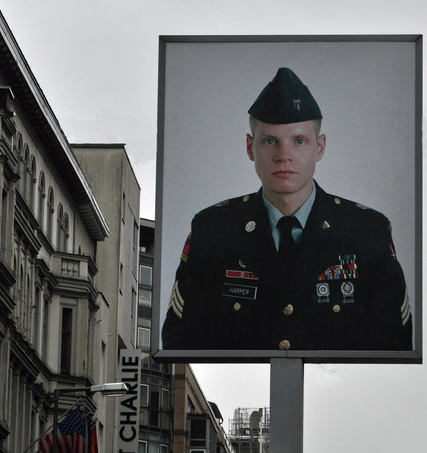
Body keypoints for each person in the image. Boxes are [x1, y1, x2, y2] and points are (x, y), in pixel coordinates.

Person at [161, 67, 412, 352]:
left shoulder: (367, 232)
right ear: (250, 147)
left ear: (320, 147)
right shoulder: (212, 230)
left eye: (299, 141)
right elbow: (179, 342)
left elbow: (395, 344)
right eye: (270, 141)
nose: (283, 156)